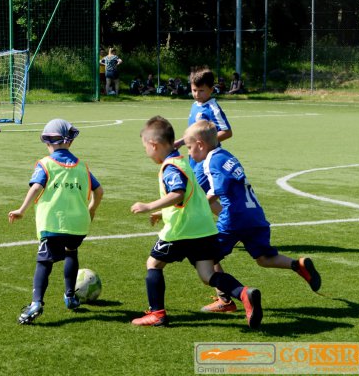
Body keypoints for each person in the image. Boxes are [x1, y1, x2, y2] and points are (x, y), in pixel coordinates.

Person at [130, 116, 262, 329]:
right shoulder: (183, 161)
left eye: (145, 146)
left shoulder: (170, 167)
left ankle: (157, 314)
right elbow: (190, 197)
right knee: (207, 274)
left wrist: (149, 206)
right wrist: (162, 212)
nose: (146, 151)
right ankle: (244, 293)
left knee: (153, 264)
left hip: (182, 231)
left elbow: (179, 194)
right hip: (203, 229)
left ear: (154, 145)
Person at [183, 121, 321, 312]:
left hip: (234, 218)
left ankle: (226, 299)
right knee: (264, 258)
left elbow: (217, 190)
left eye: (189, 147)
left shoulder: (211, 161)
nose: (188, 153)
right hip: (255, 214)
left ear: (200, 145)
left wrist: (191, 209)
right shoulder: (227, 156)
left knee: (205, 259)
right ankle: (297, 265)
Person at [9, 118, 104, 325]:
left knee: (44, 262)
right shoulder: (82, 166)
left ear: (48, 142)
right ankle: (70, 296)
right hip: (79, 225)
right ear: (69, 142)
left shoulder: (46, 164)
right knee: (71, 251)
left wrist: (21, 210)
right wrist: (91, 210)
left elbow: (36, 187)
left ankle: (36, 304)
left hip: (53, 224)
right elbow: (99, 190)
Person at [174, 68, 232, 186]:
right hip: (194, 156)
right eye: (194, 90)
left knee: (196, 192)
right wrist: (180, 142)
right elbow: (195, 134)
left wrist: (204, 143)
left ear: (211, 90)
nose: (197, 94)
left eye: (201, 91)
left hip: (207, 157)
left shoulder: (213, 108)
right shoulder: (195, 105)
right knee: (200, 195)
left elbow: (227, 132)